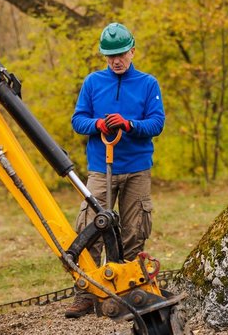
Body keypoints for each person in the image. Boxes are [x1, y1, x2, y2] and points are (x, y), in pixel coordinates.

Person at [64, 22, 165, 318]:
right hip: (100, 169)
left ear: (132, 50)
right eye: (110, 56)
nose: (116, 60)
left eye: (121, 54)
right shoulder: (93, 83)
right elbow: (78, 120)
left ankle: (125, 290)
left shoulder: (148, 84)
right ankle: (86, 292)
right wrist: (98, 124)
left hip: (136, 169)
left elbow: (156, 124)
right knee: (91, 227)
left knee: (134, 230)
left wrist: (129, 124)